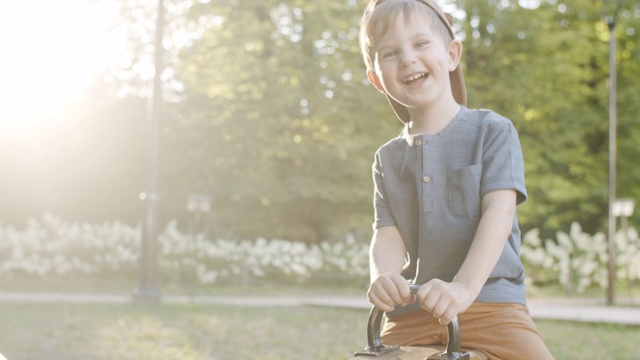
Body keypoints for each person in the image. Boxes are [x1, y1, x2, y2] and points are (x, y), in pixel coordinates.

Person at [358, 0, 553, 359]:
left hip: (490, 307)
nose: (407, 59)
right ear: (376, 79)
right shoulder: (387, 158)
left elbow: (499, 213)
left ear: (451, 54)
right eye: (390, 53)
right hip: (411, 311)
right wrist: (383, 277)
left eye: (420, 44)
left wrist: (463, 288)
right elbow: (386, 233)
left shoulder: (492, 131)